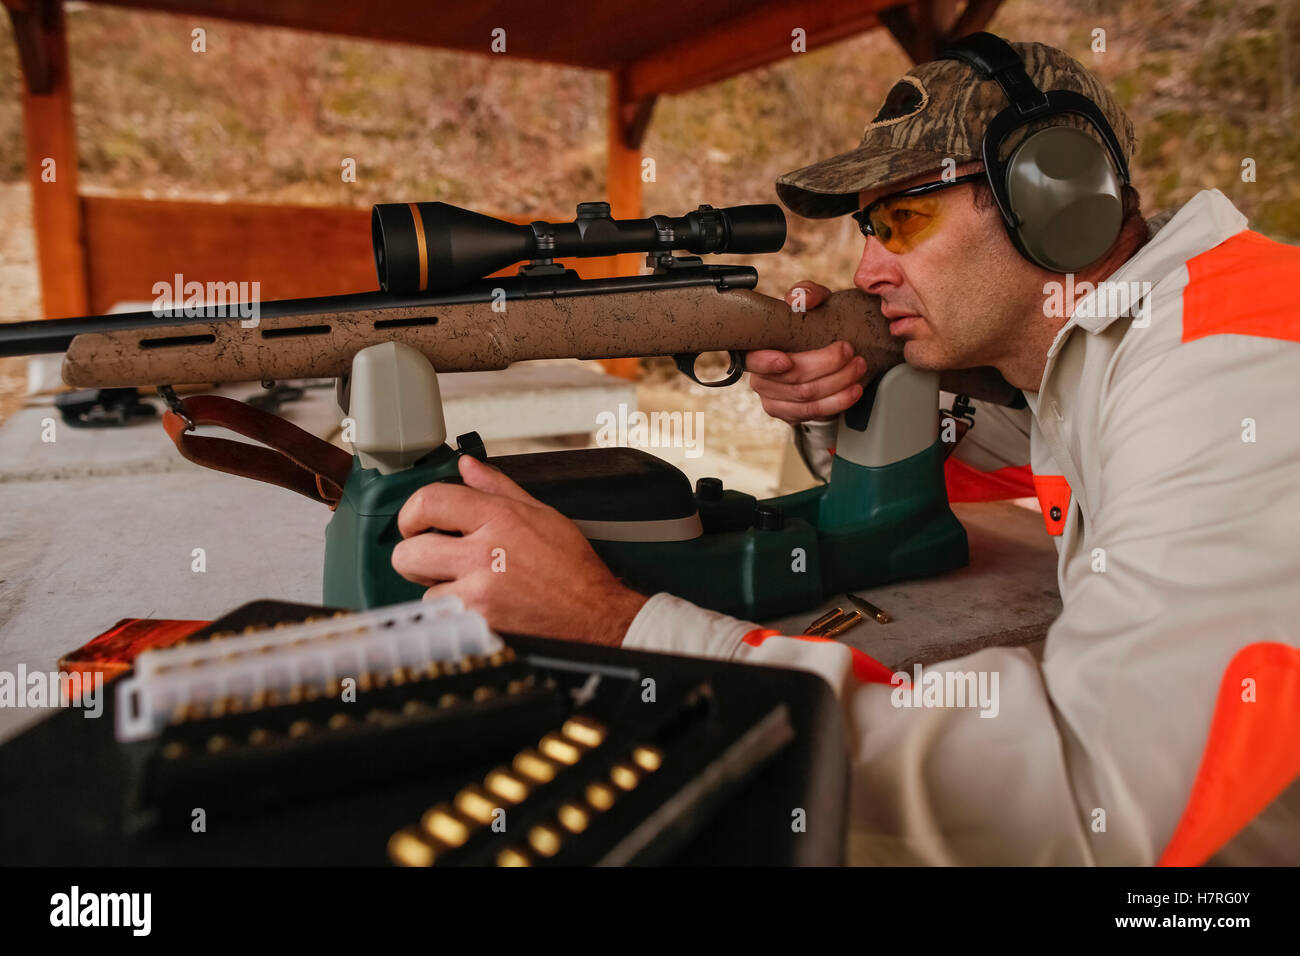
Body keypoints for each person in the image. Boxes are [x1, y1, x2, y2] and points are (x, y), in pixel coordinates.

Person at [391, 34, 1300, 864]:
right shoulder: (1114, 355)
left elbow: (1090, 806)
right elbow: (989, 462)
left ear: (1052, 198)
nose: (868, 271)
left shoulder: (1230, 373)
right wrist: (834, 405)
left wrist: (621, 628)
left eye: (900, 222)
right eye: (865, 231)